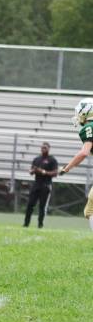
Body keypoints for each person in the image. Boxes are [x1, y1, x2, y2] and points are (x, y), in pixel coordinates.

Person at [58, 98, 93, 230]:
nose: (78, 116)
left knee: (90, 211)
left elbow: (84, 153)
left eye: (79, 112)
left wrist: (66, 168)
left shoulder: (89, 127)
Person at [23, 143, 58, 229]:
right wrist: (32, 171)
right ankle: (26, 224)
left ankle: (40, 225)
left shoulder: (52, 160)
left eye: (45, 148)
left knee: (42, 206)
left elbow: (55, 173)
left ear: (49, 149)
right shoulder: (37, 159)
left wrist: (43, 172)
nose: (43, 149)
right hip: (36, 184)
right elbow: (31, 170)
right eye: (42, 148)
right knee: (30, 204)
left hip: (46, 185)